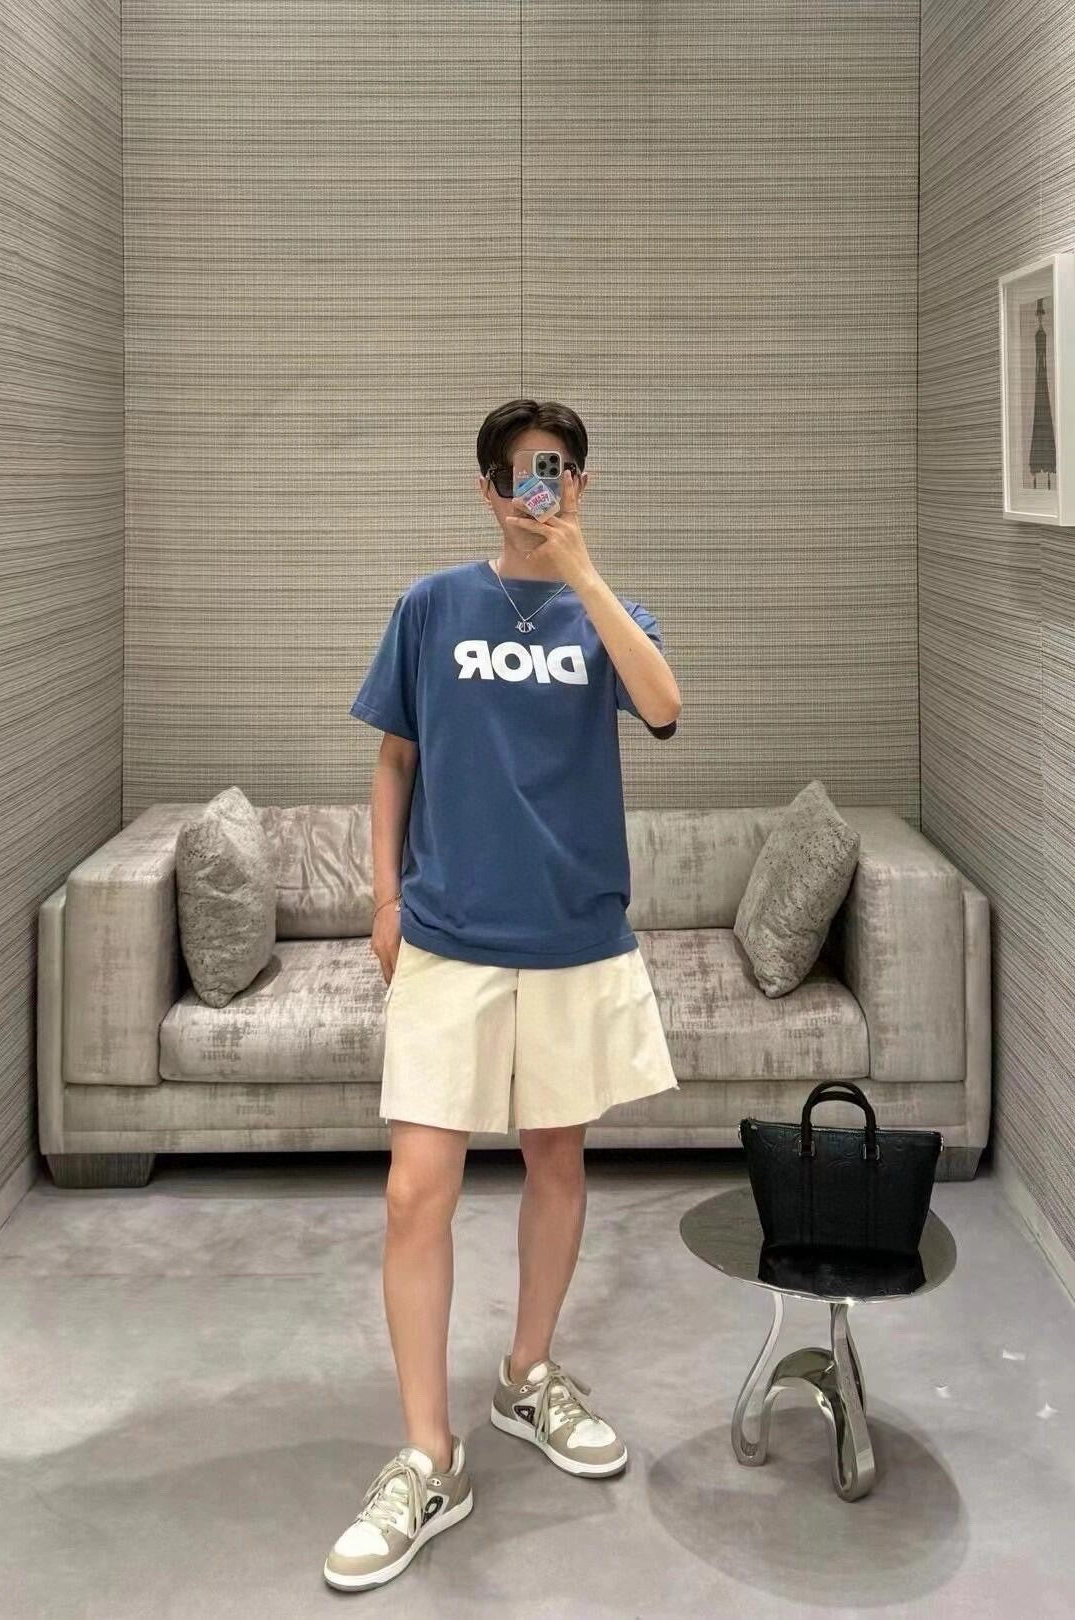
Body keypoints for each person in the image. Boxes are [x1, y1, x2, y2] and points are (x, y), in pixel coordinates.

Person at [324, 400, 682, 1591]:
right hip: (449, 935)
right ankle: (429, 1456)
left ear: (581, 483)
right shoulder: (432, 607)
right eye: (524, 474)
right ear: (487, 489)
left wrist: (582, 570)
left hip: (573, 935)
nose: (542, 490)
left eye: (560, 471)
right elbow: (394, 758)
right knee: (413, 1191)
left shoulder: (603, 608)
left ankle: (528, 1374)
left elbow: (665, 706)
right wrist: (385, 900)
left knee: (556, 1161)